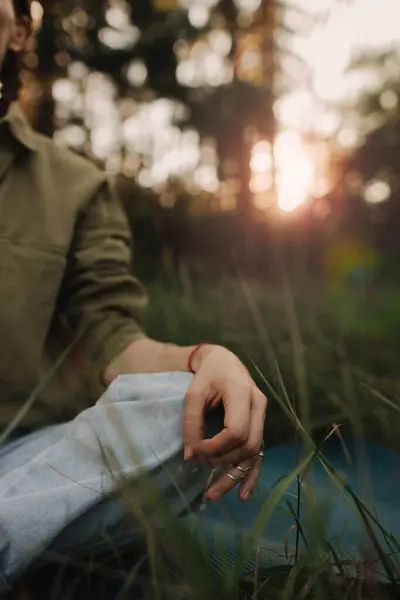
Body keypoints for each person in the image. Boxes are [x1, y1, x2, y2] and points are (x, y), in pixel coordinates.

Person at [0, 0, 268, 596]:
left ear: (19, 28)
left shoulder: (72, 185)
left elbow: (112, 339)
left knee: (190, 412)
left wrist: (206, 360)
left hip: (24, 466)